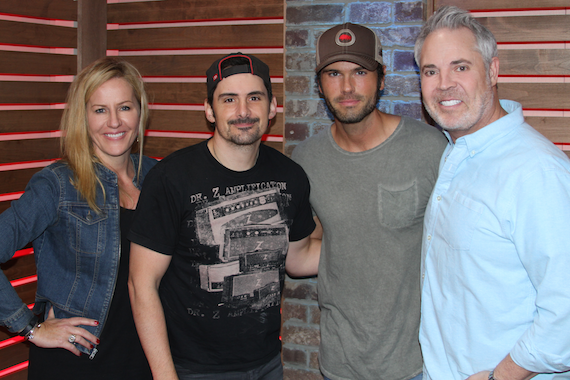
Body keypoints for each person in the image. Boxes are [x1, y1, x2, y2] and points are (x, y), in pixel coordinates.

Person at [128, 52, 320, 380]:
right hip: (192, 369)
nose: (243, 111)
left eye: (254, 98)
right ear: (209, 110)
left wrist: (367, 236)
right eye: (229, 99)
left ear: (272, 107)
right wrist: (164, 376)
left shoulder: (291, 176)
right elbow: (141, 284)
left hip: (267, 363)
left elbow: (298, 258)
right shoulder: (171, 178)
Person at [415, 6, 570, 380]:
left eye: (461, 67)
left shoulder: (537, 171)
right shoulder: (457, 151)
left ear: (494, 70)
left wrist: (501, 376)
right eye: (430, 71)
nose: (444, 84)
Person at [291, 23, 447, 380]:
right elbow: (309, 249)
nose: (346, 87)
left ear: (381, 78)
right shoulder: (306, 160)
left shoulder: (430, 150)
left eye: (360, 72)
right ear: (319, 84)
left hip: (417, 365)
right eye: (334, 73)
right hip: (339, 364)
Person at [0, 57, 155, 379]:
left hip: (143, 360)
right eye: (100, 110)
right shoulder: (57, 184)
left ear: (140, 114)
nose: (114, 122)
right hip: (77, 364)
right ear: (82, 119)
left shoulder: (158, 177)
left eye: (125, 107)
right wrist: (29, 327)